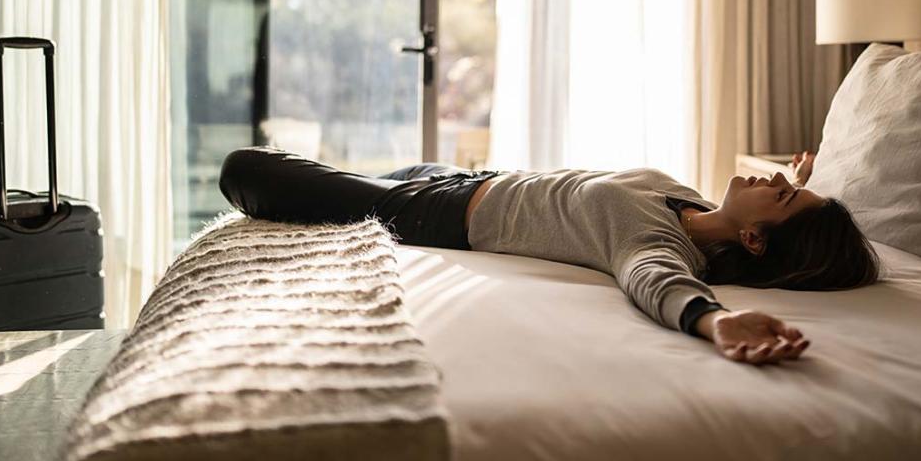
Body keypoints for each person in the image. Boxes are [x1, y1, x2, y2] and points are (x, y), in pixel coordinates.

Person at [219, 147, 879, 366]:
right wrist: (803, 176)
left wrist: (716, 321)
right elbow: (773, 214)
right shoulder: (695, 206)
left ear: (756, 239)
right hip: (467, 178)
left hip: (434, 215)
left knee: (246, 169)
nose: (775, 179)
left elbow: (655, 282)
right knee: (383, 168)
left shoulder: (656, 244)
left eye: (783, 195)